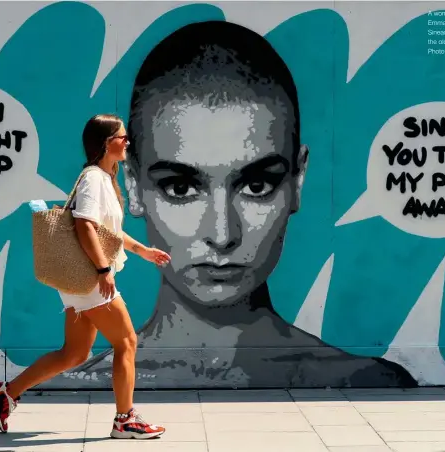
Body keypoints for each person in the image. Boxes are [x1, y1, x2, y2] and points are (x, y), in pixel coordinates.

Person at [56, 22, 418, 388]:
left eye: (257, 186)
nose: (222, 234)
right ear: (133, 185)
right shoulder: (82, 383)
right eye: (180, 188)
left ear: (297, 181)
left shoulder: (364, 380)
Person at [0, 114, 171, 438]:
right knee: (126, 341)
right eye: (121, 137)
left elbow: (107, 231)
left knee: (74, 353)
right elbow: (84, 224)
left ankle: (7, 393)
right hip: (90, 279)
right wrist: (103, 270)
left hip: (83, 281)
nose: (127, 142)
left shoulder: (103, 179)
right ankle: (125, 419)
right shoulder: (93, 179)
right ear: (105, 143)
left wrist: (143, 251)